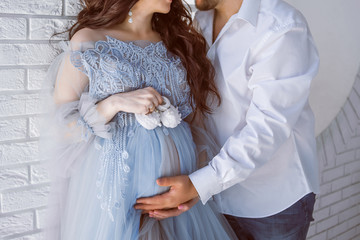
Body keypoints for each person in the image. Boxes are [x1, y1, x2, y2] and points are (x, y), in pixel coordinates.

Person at [42, 0, 238, 239]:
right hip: (117, 193)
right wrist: (114, 103)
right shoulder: (89, 40)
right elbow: (62, 128)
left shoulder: (178, 42)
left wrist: (195, 184)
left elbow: (195, 124)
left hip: (178, 200)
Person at [134, 0, 320, 239]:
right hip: (211, 198)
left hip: (270, 202)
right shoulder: (198, 21)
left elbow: (267, 128)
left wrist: (200, 185)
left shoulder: (282, 27)